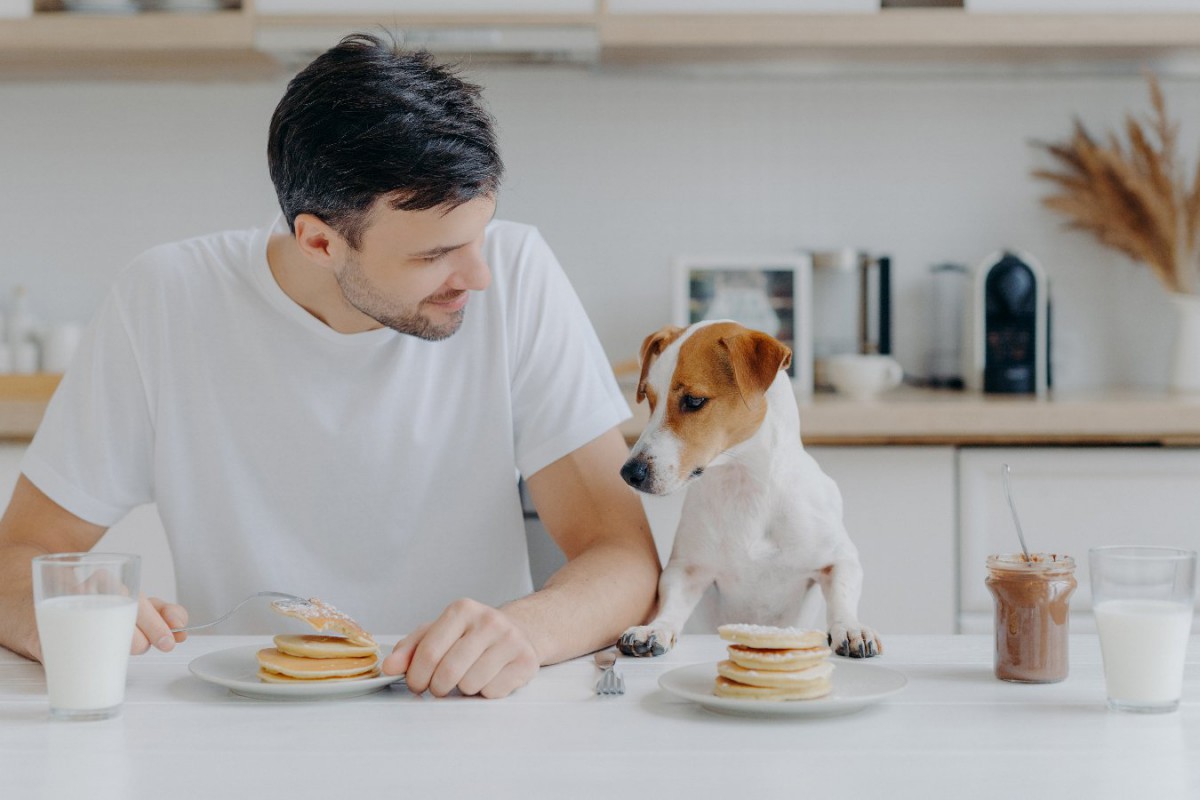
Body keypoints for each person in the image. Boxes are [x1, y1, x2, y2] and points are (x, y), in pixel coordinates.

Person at [0, 33, 660, 700]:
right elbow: (14, 562)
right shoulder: (165, 300)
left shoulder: (519, 276)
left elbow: (624, 555)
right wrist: (70, 613)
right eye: (435, 255)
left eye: (480, 235)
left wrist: (529, 629)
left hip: (463, 710)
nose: (478, 276)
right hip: (244, 716)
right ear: (319, 240)